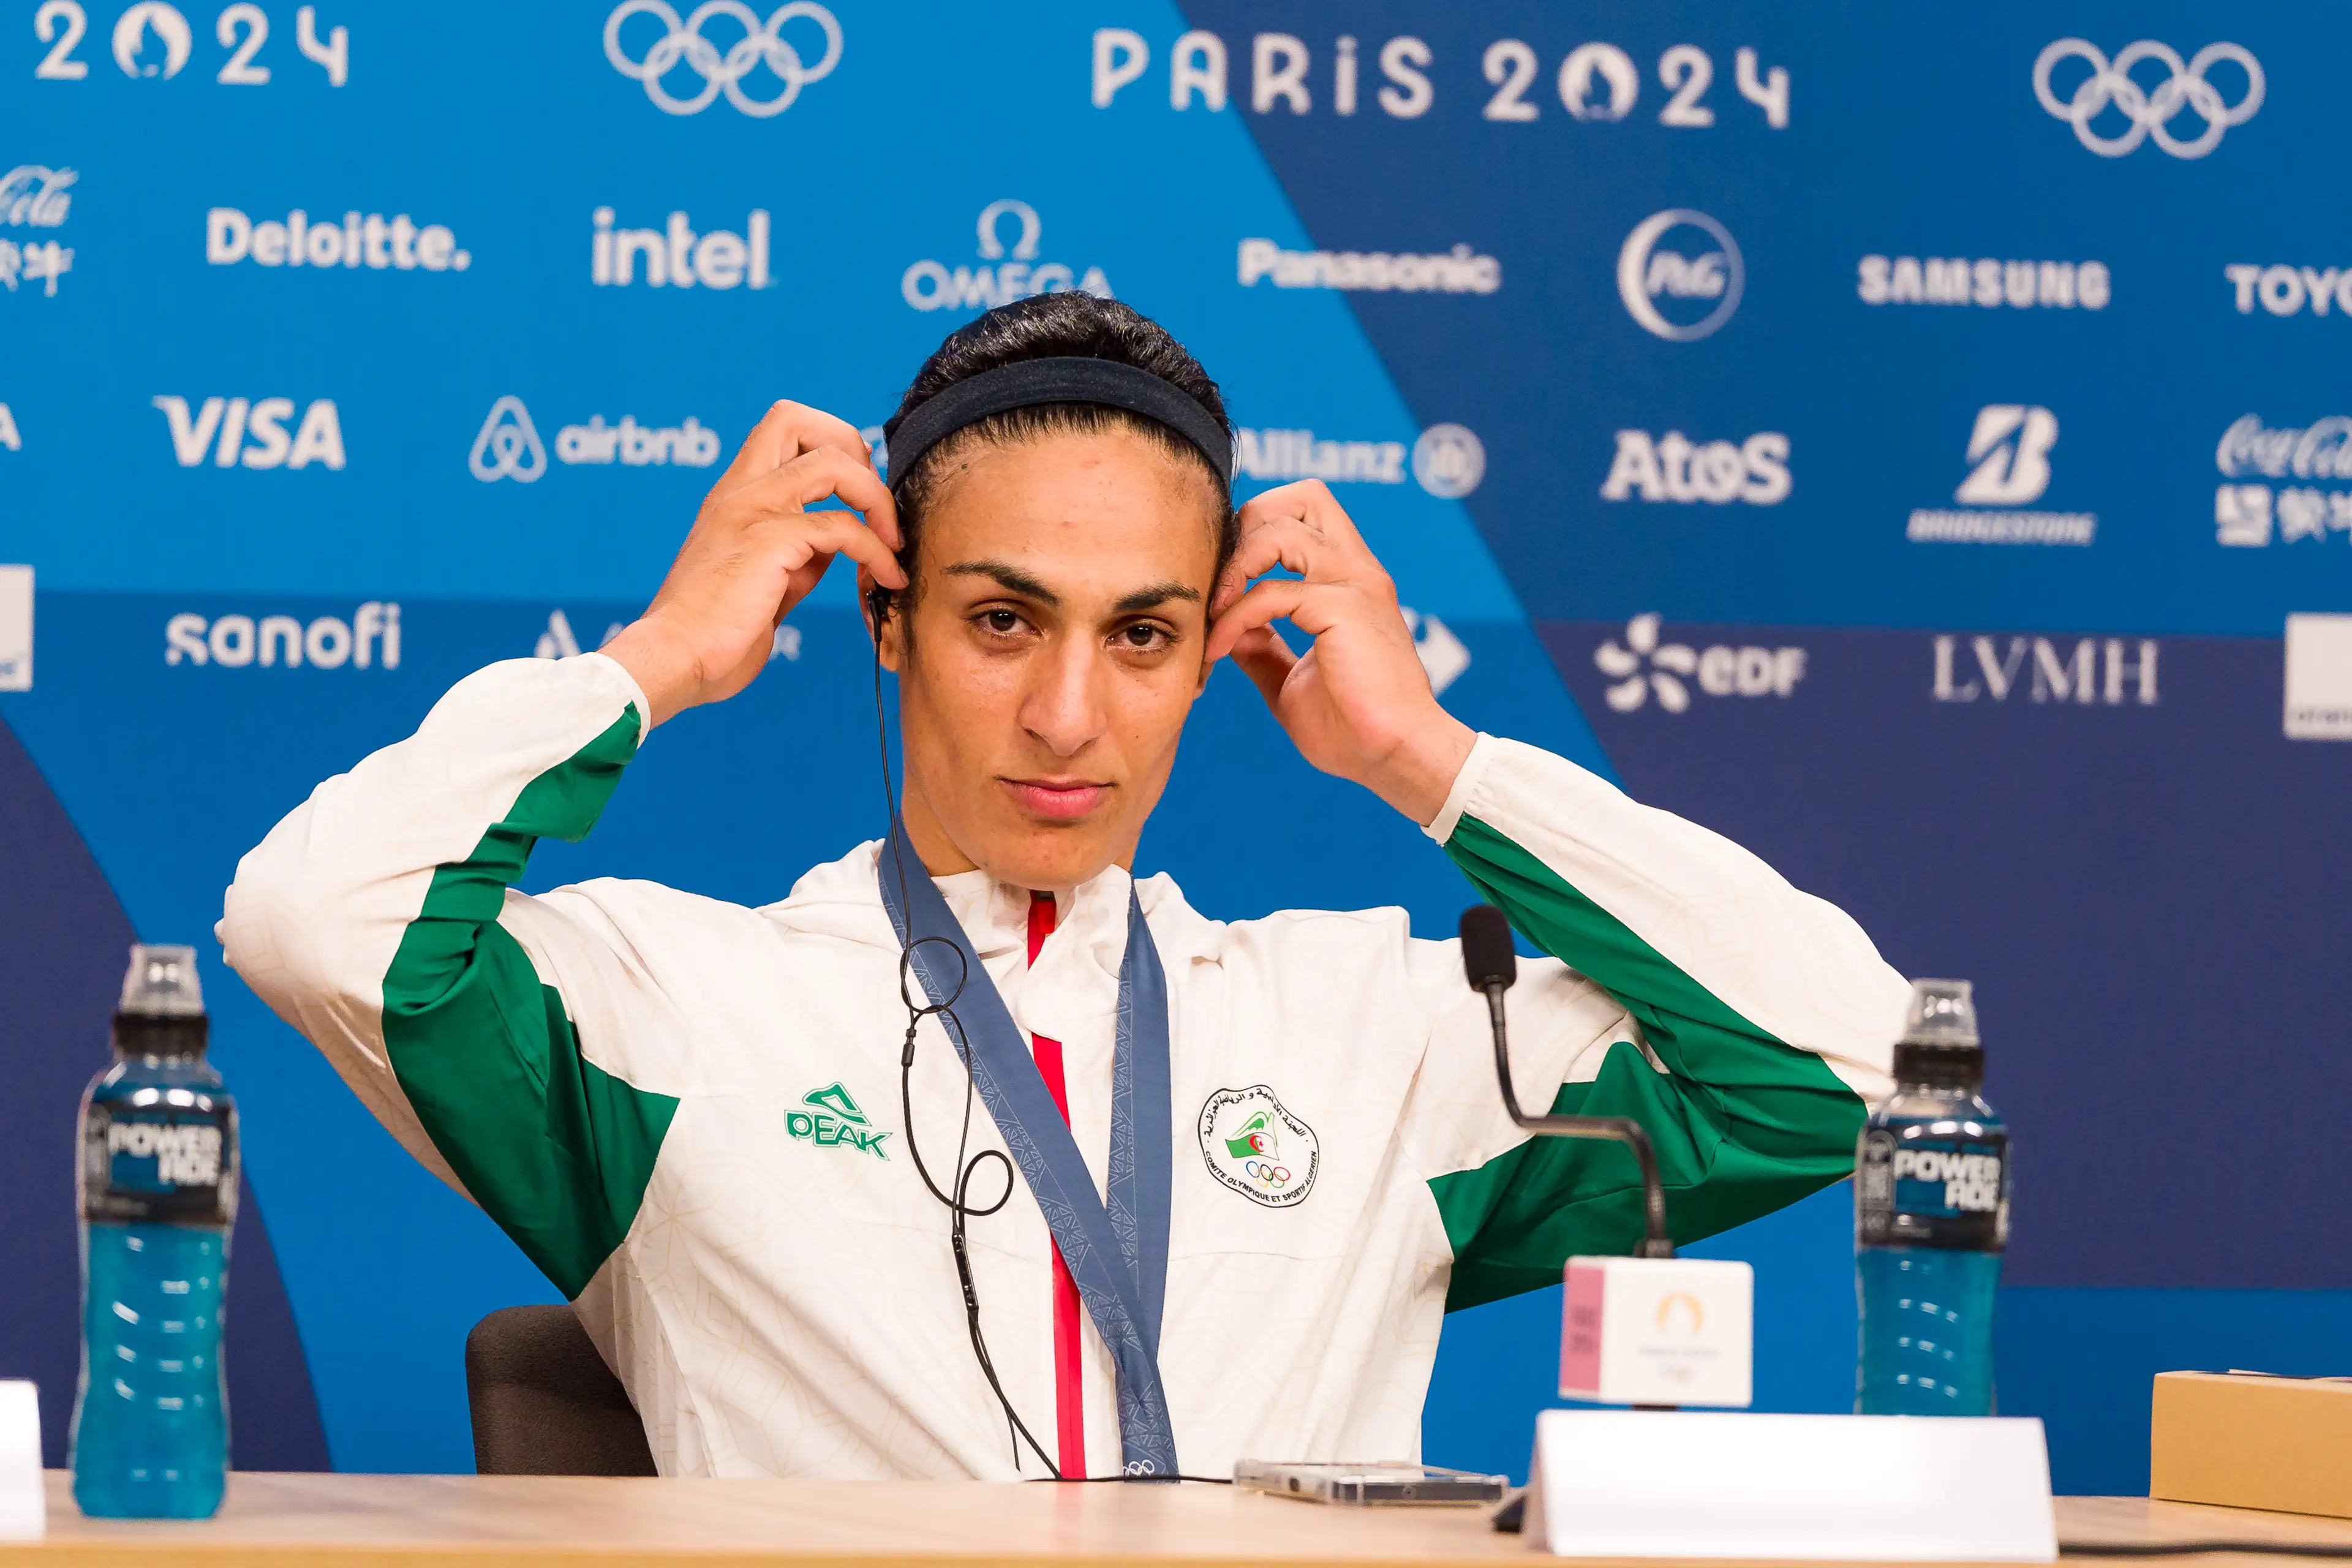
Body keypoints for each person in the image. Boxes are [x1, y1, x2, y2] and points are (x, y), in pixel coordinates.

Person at [221, 294, 1907, 1482]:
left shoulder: (1375, 1034)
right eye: (1003, 620)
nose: (1067, 715)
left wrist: (1426, 756)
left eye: (1143, 635)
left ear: (1208, 658)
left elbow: (1859, 1070)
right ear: (886, 625)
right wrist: (659, 660)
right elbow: (315, 918)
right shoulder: (674, 1010)